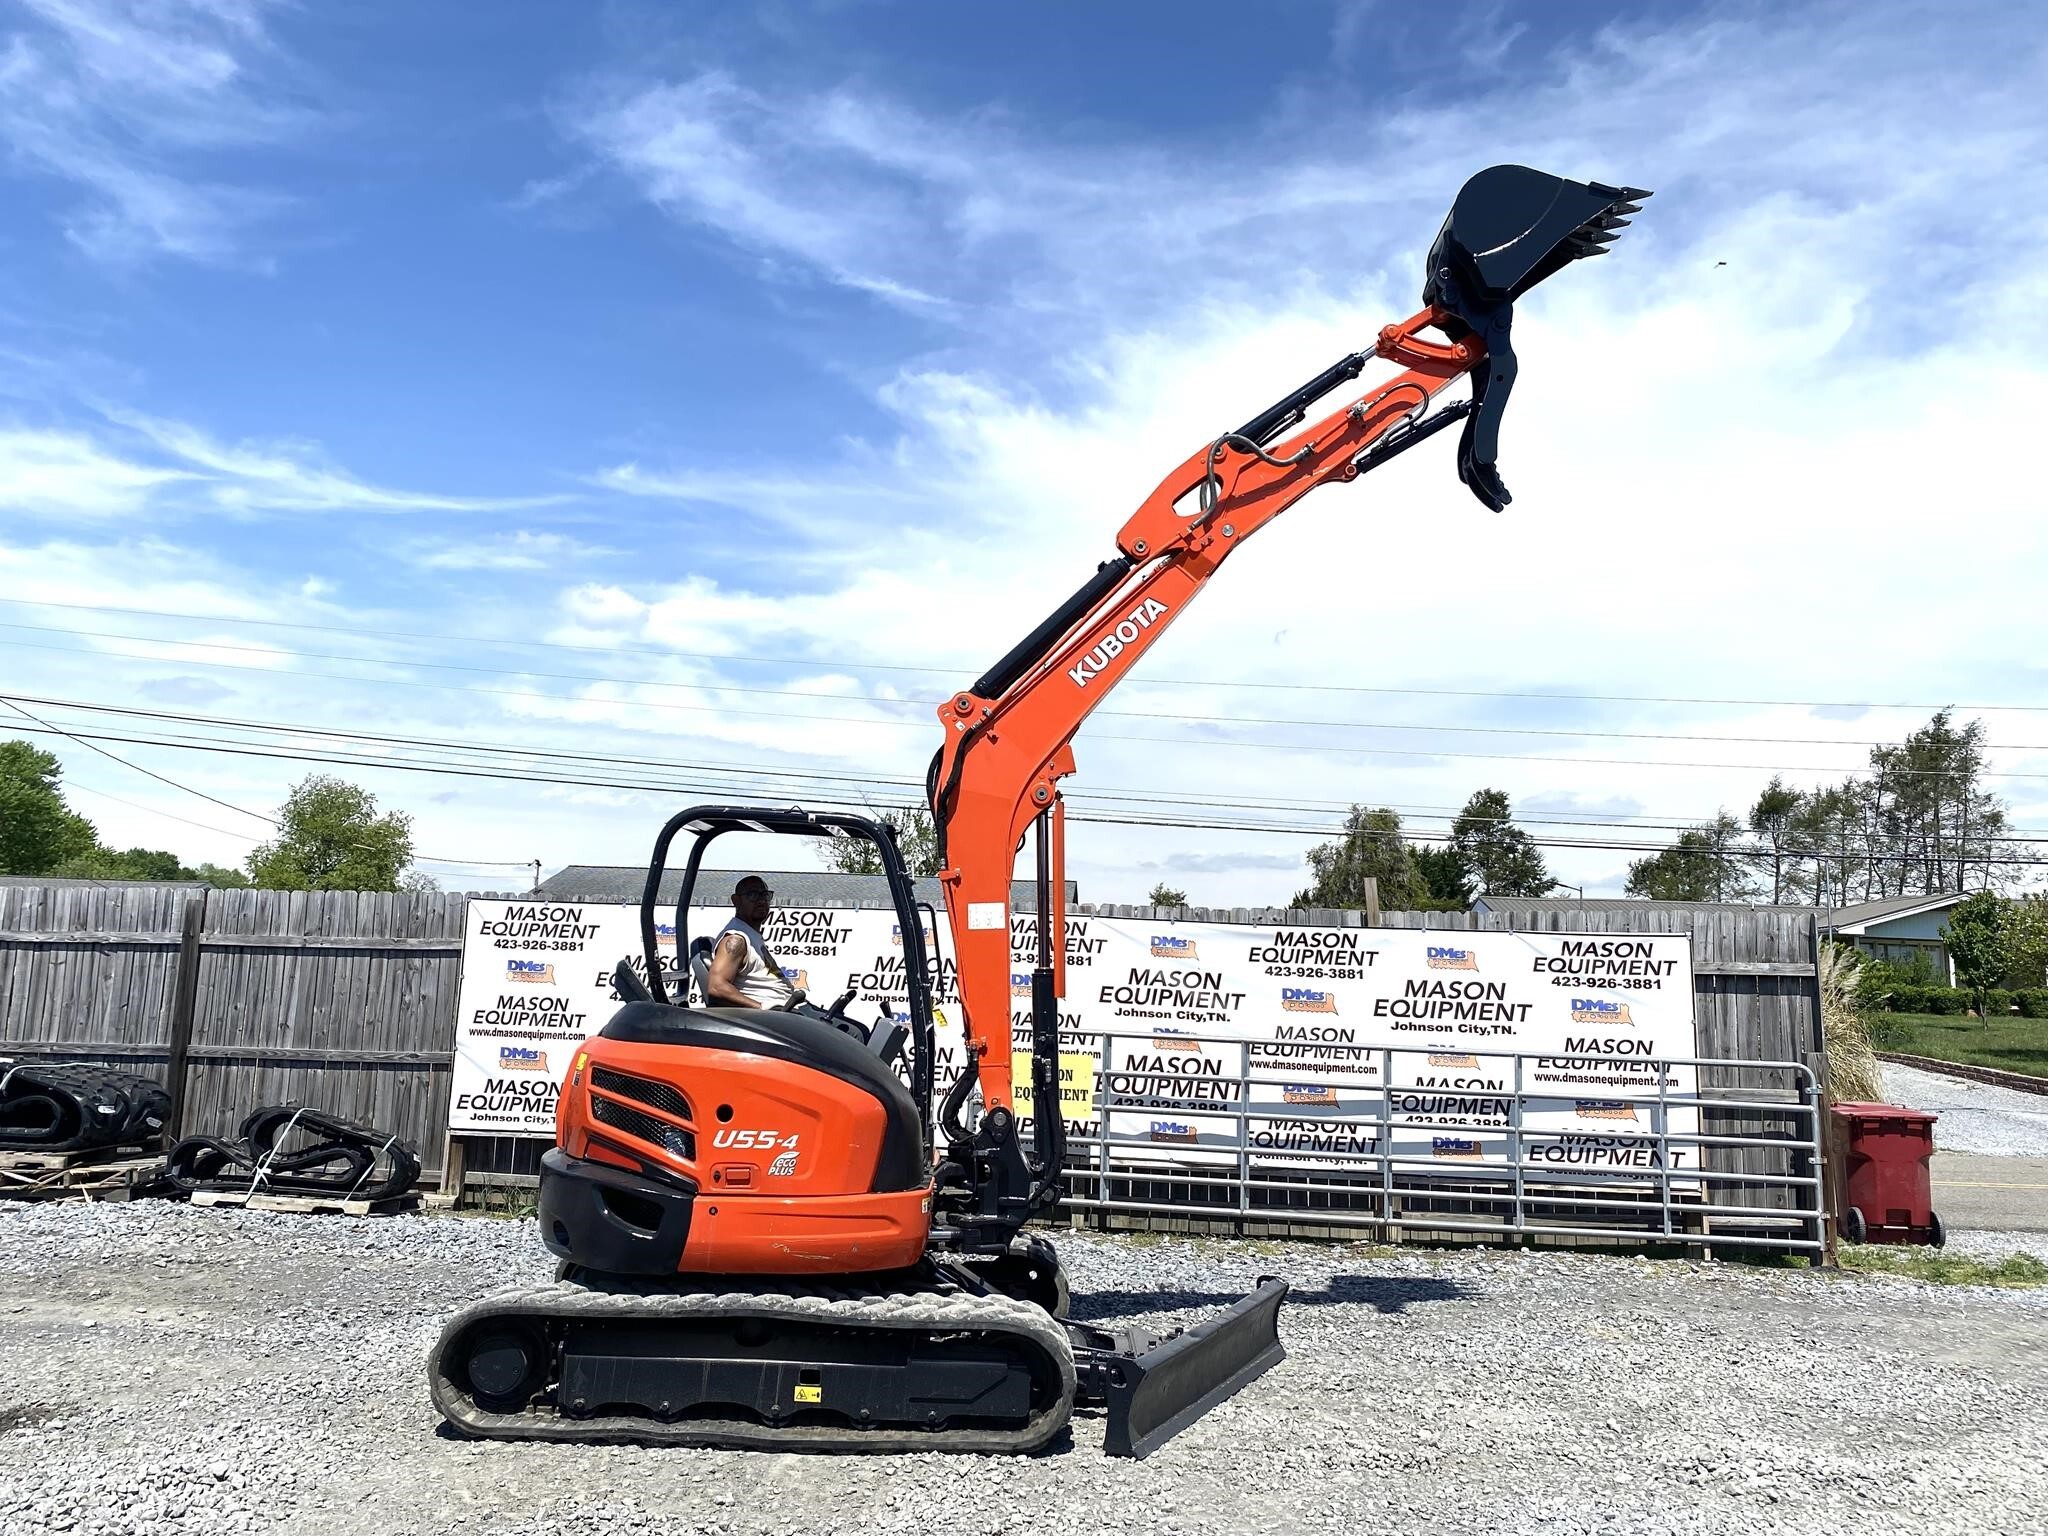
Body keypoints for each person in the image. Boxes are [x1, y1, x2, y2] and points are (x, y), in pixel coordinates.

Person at [703, 875, 802, 1010]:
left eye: (765, 895)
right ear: (736, 900)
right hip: (774, 1017)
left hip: (789, 1010)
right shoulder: (736, 939)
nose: (761, 901)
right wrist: (763, 1008)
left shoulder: (751, 936)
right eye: (753, 895)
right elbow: (716, 987)